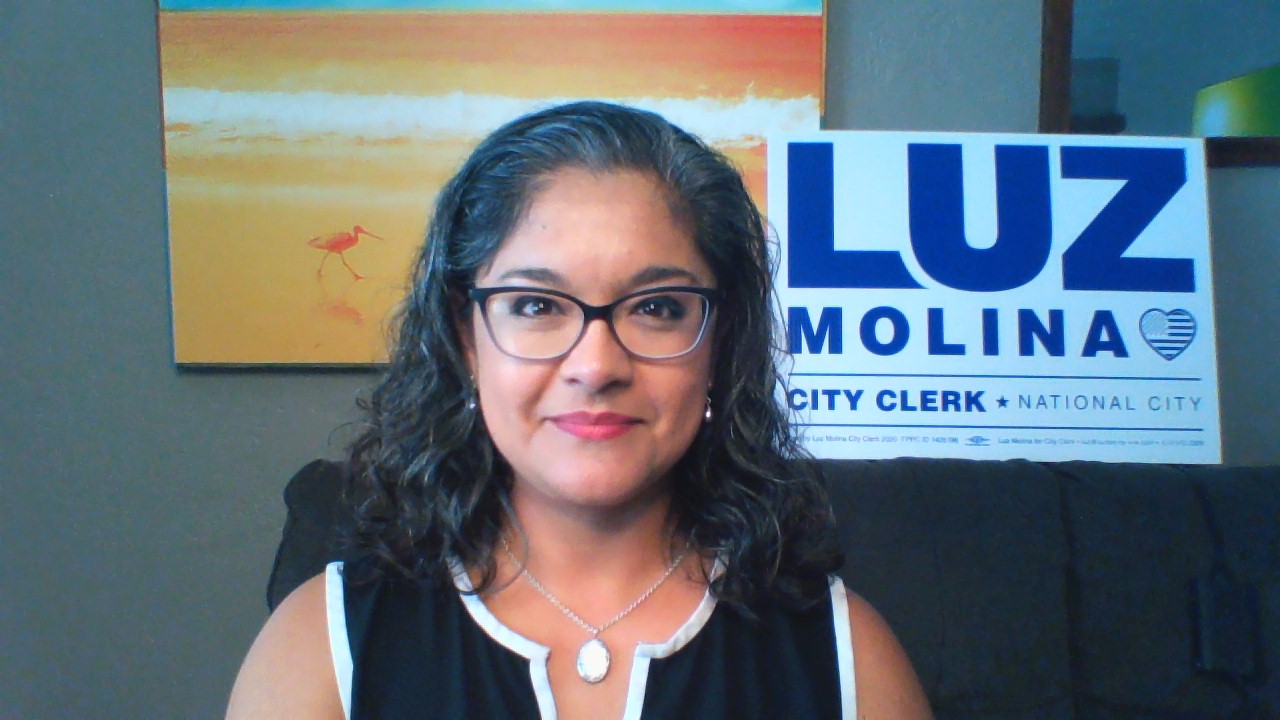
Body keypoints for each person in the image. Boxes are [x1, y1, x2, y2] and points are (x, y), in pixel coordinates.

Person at [226, 101, 931, 719]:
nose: (596, 366)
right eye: (536, 305)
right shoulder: (323, 645)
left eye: (657, 308)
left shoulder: (844, 655)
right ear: (466, 338)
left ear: (720, 343)